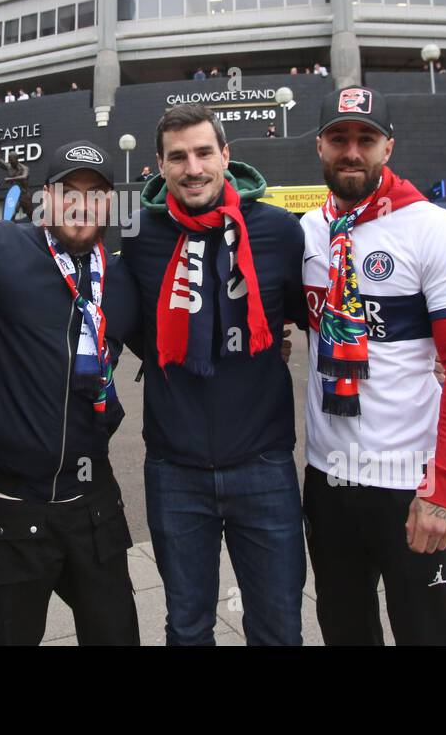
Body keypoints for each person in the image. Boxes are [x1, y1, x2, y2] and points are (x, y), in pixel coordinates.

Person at [300, 86, 446, 646]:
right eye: (339, 138)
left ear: (389, 146)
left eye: (366, 139)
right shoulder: (310, 231)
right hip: (328, 477)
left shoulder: (434, 229)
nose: (351, 151)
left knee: (424, 635)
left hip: (411, 483)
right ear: (320, 147)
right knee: (344, 628)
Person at [122, 104, 307, 646]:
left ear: (226, 156)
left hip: (264, 465)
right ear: (159, 165)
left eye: (204, 152)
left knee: (277, 628)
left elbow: (303, 313)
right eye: (177, 157)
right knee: (187, 627)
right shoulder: (141, 236)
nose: (193, 167)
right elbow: (134, 327)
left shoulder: (277, 231)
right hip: (174, 471)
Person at [0, 141, 141, 645]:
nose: (81, 205)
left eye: (96, 193)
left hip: (93, 505)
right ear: (45, 197)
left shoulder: (122, 279)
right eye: (69, 191)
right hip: (13, 509)